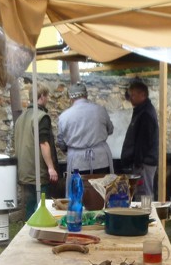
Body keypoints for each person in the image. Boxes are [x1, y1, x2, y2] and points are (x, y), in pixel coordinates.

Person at [14, 84, 58, 218]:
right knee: (42, 207)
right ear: (42, 96)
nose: (48, 99)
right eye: (47, 96)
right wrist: (51, 168)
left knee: (30, 206)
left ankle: (28, 229)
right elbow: (43, 143)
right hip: (38, 171)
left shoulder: (21, 118)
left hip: (24, 170)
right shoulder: (41, 117)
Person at [56, 82, 114, 176]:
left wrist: (69, 148)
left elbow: (61, 141)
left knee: (79, 186)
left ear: (71, 98)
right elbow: (110, 130)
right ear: (86, 95)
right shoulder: (100, 110)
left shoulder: (64, 116)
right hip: (101, 161)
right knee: (102, 185)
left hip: (77, 163)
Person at [120, 80, 158, 199]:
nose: (131, 98)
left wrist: (138, 162)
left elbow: (144, 141)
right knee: (140, 194)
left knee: (144, 194)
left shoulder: (146, 113)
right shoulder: (140, 111)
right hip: (142, 163)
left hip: (144, 164)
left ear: (143, 95)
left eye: (133, 95)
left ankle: (146, 211)